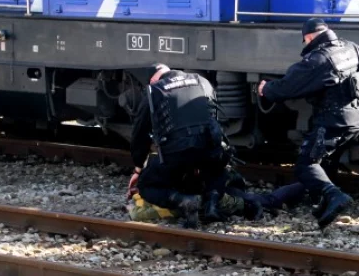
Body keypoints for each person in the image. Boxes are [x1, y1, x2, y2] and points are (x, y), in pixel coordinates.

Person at [257, 18, 359, 229]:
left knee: (305, 165)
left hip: (332, 120)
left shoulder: (318, 60)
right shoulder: (350, 48)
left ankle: (334, 195)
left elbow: (286, 87)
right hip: (355, 120)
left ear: (308, 37)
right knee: (326, 162)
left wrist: (265, 89)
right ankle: (323, 208)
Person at [129, 64, 231, 228]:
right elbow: (215, 119)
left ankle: (184, 201)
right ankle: (211, 204)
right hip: (208, 149)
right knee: (218, 171)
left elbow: (139, 134)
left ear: (154, 78)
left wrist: (138, 168)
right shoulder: (202, 81)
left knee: (146, 185)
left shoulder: (154, 90)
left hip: (176, 154)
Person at [127, 156, 308, 224]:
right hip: (212, 189)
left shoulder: (155, 194)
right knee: (261, 201)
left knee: (262, 201)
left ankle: (306, 186)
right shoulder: (159, 169)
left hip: (213, 189)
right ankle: (307, 185)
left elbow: (138, 213)